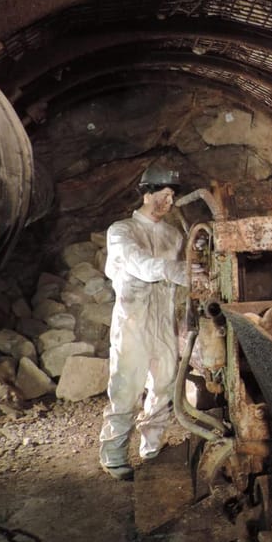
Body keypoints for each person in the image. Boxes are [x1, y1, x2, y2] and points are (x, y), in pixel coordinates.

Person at [98, 164, 190, 480]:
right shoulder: (121, 231)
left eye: (172, 196)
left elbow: (182, 279)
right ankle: (114, 456)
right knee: (125, 389)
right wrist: (174, 271)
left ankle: (151, 449)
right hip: (132, 322)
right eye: (163, 195)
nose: (169, 202)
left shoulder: (174, 236)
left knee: (163, 386)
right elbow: (138, 264)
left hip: (163, 322)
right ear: (146, 193)